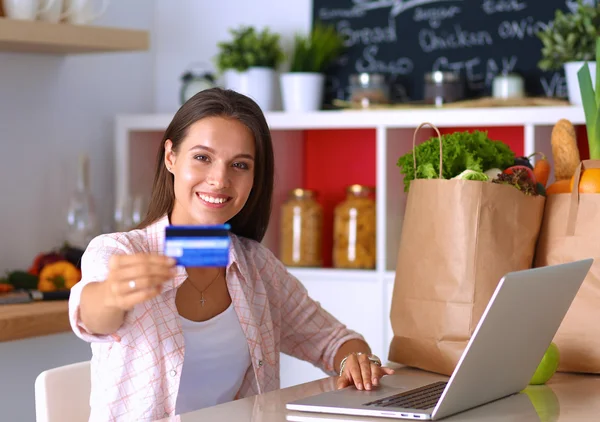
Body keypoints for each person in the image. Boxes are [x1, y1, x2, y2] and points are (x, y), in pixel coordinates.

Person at [68, 88, 394, 421]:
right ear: (171, 157)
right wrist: (111, 294)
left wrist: (355, 361)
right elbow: (92, 317)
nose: (219, 179)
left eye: (239, 165)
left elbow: (336, 340)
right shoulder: (118, 251)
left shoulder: (256, 266)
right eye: (202, 157)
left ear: (254, 178)